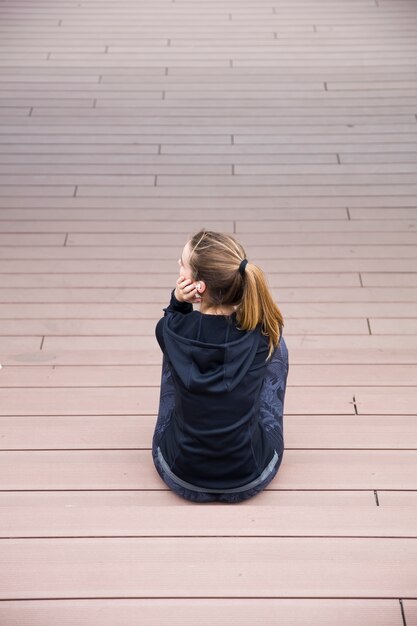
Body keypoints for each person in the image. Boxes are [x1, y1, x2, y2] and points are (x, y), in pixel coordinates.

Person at [152, 229, 289, 503]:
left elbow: (173, 322)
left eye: (182, 263)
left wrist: (177, 303)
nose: (178, 266)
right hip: (250, 476)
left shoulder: (173, 328)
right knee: (278, 347)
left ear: (198, 286)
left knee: (174, 349)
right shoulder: (261, 335)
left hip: (180, 474)